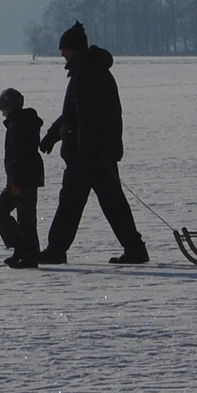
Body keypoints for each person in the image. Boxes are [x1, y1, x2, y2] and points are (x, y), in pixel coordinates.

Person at [36, 21, 150, 266]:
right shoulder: (88, 70)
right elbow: (75, 114)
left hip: (88, 155)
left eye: (64, 49)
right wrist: (54, 134)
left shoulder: (86, 73)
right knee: (111, 203)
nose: (61, 54)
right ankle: (135, 248)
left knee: (72, 204)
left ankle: (56, 250)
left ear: (73, 49)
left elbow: (88, 116)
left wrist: (86, 150)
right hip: (97, 152)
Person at [0, 88, 45, 269]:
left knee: (1, 211)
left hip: (20, 180)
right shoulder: (26, 121)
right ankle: (30, 253)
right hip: (32, 177)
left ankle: (22, 247)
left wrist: (14, 181)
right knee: (26, 216)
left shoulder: (17, 125)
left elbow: (17, 156)